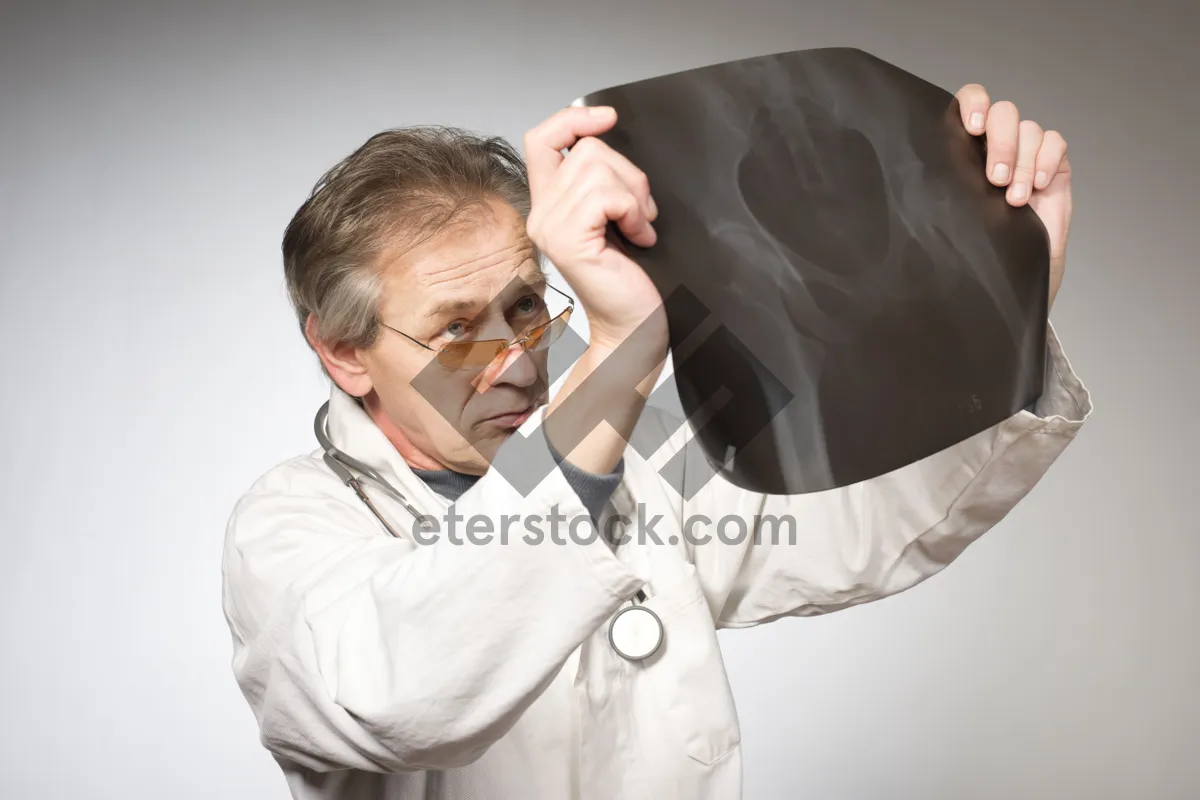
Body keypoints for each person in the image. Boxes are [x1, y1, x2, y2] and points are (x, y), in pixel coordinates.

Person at [221, 83, 1092, 799]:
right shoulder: (293, 526)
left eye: (526, 306)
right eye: (455, 330)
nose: (518, 365)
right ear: (343, 354)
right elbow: (399, 698)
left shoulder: (644, 459)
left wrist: (1005, 295)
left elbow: (862, 529)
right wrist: (618, 354)